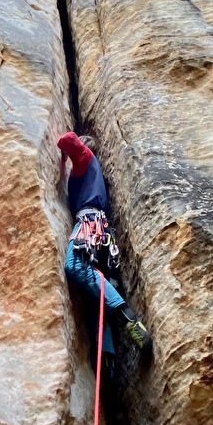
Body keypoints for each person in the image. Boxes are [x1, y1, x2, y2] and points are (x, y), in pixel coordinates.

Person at [57, 131, 152, 369]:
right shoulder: (90, 176)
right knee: (96, 295)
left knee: (74, 267)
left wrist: (62, 157)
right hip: (101, 234)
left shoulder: (86, 159)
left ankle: (128, 316)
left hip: (89, 224)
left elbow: (67, 140)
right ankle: (106, 362)